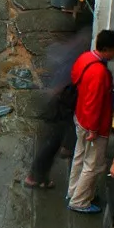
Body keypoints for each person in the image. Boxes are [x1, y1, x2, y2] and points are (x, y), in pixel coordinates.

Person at [24, 31, 92, 189]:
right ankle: (35, 176)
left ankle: (67, 148)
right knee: (52, 140)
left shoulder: (64, 51)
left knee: (58, 134)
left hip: (60, 102)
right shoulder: (75, 58)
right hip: (60, 104)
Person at [66, 29, 114, 214]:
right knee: (94, 164)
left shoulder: (84, 59)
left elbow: (76, 79)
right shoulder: (100, 72)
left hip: (80, 116)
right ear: (107, 49)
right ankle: (80, 201)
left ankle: (73, 191)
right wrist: (94, 129)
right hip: (93, 124)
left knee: (79, 156)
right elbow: (95, 103)